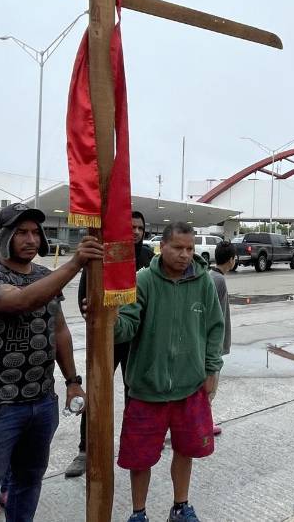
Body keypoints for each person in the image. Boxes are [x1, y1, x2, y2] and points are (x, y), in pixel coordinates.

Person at [0, 203, 102, 522]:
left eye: (36, 232)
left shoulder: (44, 276)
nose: (31, 239)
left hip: (40, 403)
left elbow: (59, 329)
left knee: (27, 484)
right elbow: (22, 301)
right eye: (21, 232)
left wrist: (72, 382)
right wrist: (76, 262)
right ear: (4, 236)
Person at [114, 221, 224, 522]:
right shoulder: (144, 280)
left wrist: (211, 368)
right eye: (177, 248)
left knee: (185, 449)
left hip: (189, 387)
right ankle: (139, 512)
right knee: (140, 458)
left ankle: (180, 506)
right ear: (162, 246)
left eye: (189, 249)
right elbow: (126, 327)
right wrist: (107, 317)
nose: (185, 255)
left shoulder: (204, 282)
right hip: (147, 389)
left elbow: (216, 327)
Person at [65, 210, 157, 477]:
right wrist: (95, 323)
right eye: (131, 227)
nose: (136, 231)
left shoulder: (149, 259)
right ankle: (85, 451)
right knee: (96, 392)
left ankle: (135, 444)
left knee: (136, 393)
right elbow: (86, 296)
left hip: (136, 339)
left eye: (140, 227)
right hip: (108, 337)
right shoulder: (104, 255)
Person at [208, 240, 236, 436]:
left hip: (211, 345)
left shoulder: (212, 276)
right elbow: (215, 316)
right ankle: (205, 424)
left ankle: (205, 422)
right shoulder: (218, 280)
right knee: (210, 387)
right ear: (232, 260)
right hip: (213, 346)